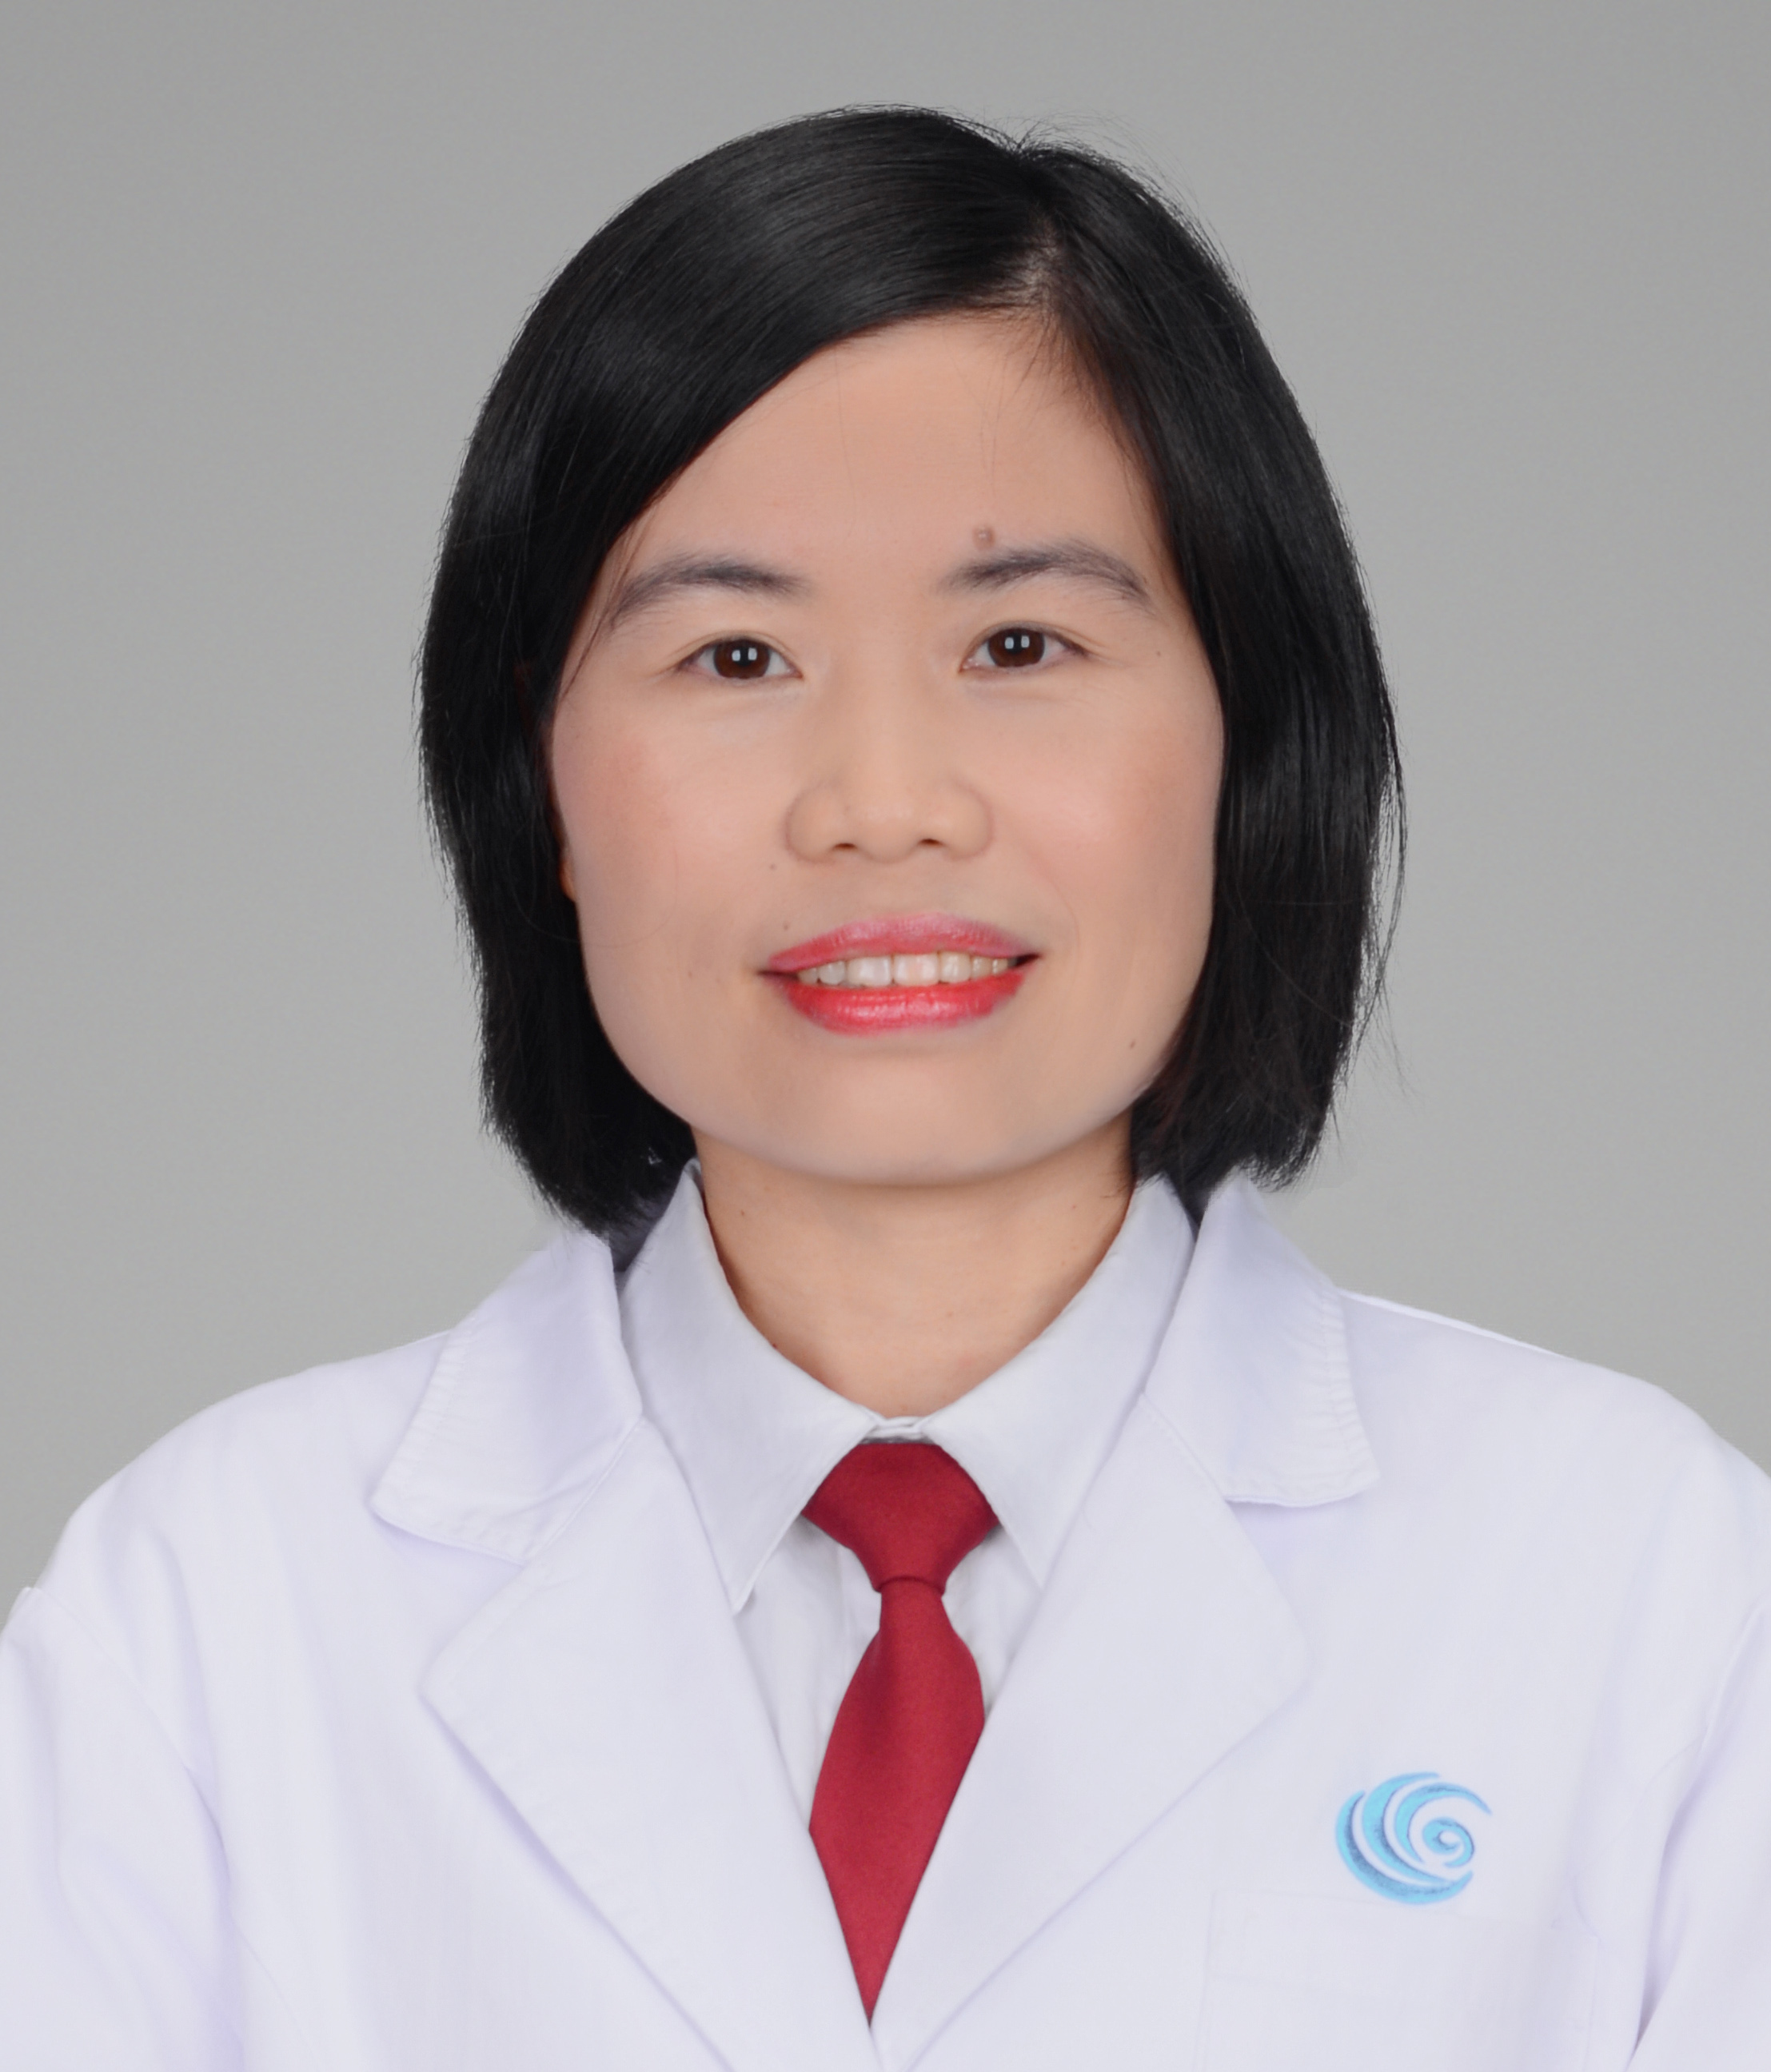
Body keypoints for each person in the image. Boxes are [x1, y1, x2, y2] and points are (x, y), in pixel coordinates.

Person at [2, 106, 1766, 2072]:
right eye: (735, 657)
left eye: (1017, 641)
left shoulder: (1641, 1587)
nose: (881, 804)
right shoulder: (211, 1615)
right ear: (544, 784)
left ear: (1249, 731)